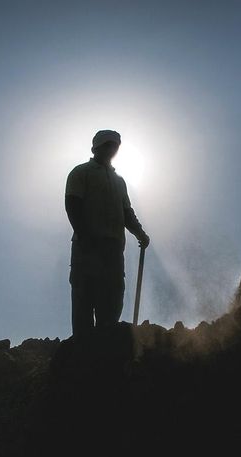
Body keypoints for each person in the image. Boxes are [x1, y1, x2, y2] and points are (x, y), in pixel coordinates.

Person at [65, 129, 151, 336]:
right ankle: (82, 351)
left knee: (111, 299)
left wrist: (139, 232)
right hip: (87, 247)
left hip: (112, 250)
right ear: (95, 148)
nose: (110, 149)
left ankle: (105, 347)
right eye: (106, 145)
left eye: (114, 146)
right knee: (84, 299)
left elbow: (126, 212)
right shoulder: (81, 172)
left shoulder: (119, 181)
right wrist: (85, 236)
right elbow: (72, 204)